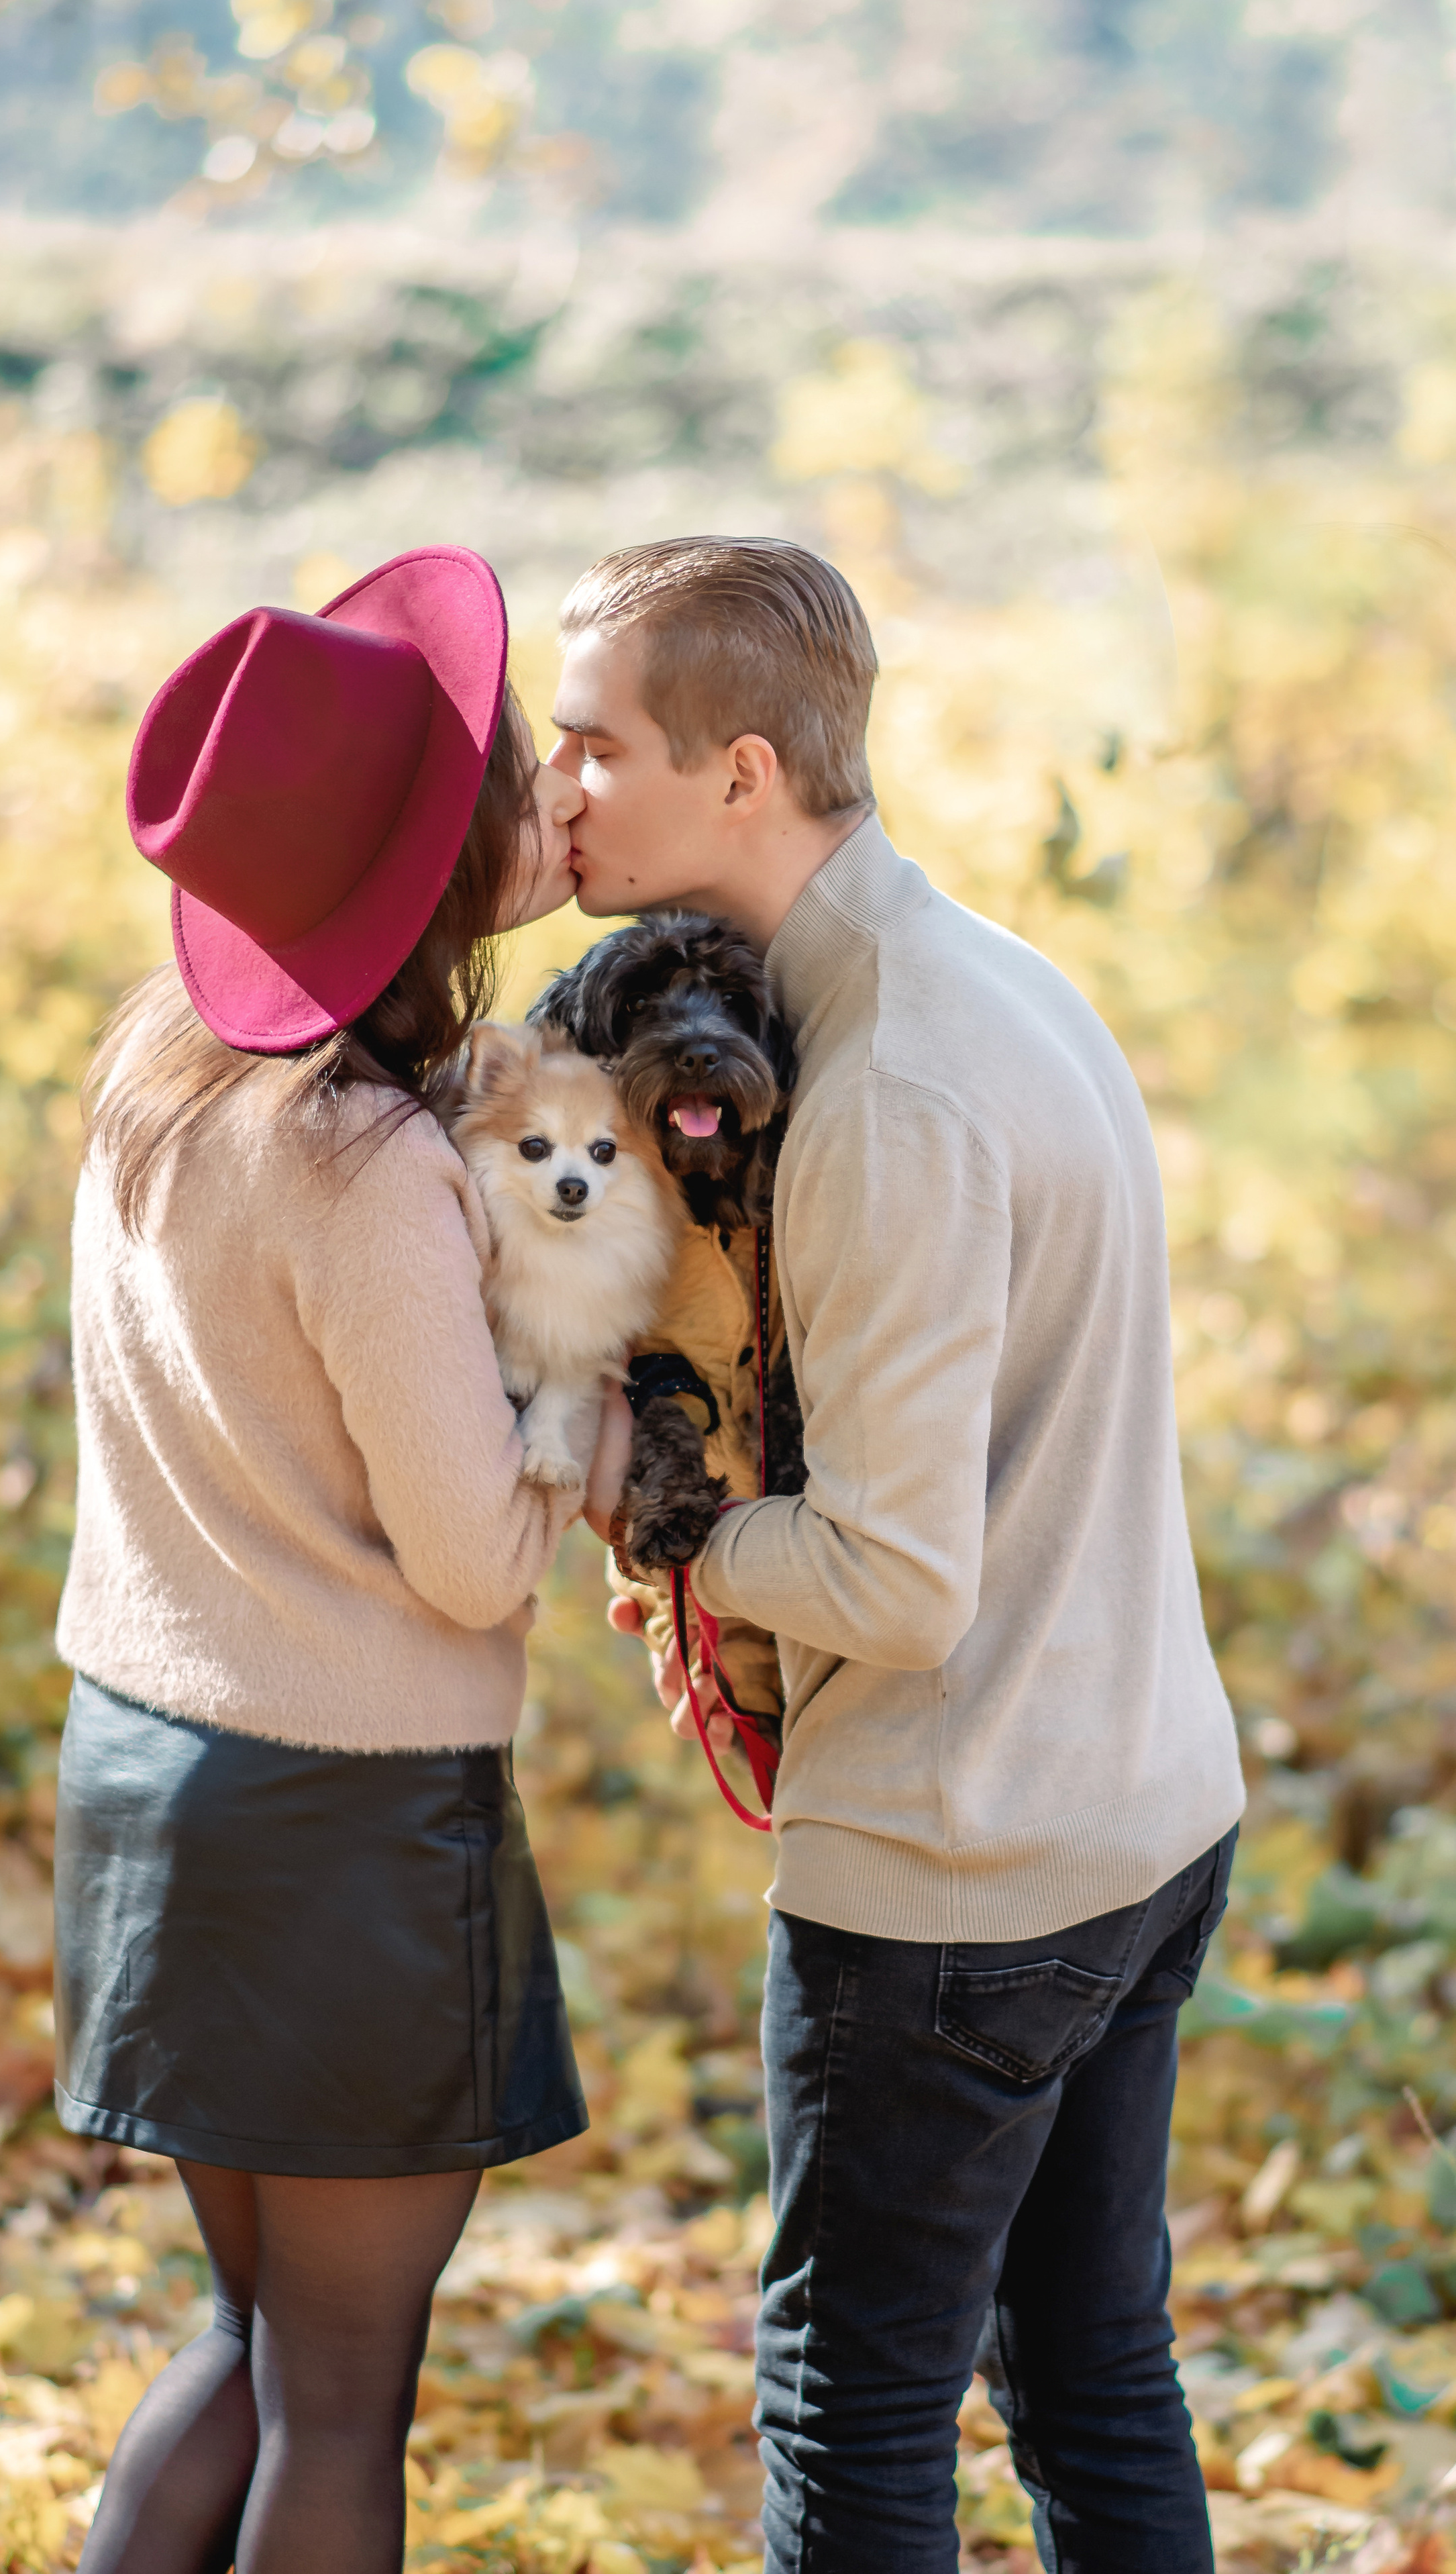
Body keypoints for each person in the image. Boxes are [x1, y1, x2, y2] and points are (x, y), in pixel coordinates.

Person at [559, 536, 1246, 2573]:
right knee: (1096, 2373)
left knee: (849, 2411)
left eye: (592, 748)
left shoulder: (889, 1097)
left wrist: (654, 1518)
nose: (557, 792)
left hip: (967, 1870)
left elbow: (894, 1578)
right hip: (1137, 1805)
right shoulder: (993, 975)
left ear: (743, 772)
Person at [52, 548, 592, 2574]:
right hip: (341, 1822)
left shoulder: (162, 1078)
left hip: (149, 1774)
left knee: (253, 2340)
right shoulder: (366, 1163)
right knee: (344, 2401)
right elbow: (471, 1560)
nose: (544, 782)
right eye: (506, 772)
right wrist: (598, 1428)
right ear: (437, 864)